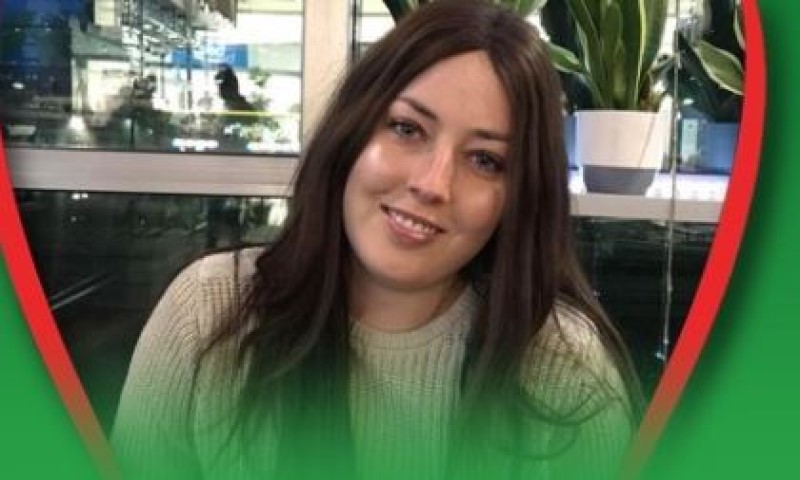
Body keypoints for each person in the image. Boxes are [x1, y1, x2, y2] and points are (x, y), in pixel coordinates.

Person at [111, 1, 643, 479]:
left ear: (520, 196)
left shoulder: (568, 371)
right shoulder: (208, 313)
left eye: (485, 160)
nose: (432, 184)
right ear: (353, 130)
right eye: (407, 129)